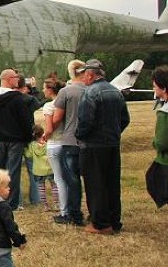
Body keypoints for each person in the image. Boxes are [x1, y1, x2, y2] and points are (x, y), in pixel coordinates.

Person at [75, 59, 130, 235]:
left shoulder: (90, 93)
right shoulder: (116, 91)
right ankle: (114, 221)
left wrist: (80, 136)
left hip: (93, 146)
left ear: (90, 74)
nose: (82, 78)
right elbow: (125, 119)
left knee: (95, 184)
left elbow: (86, 121)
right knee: (111, 184)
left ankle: (100, 224)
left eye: (83, 74)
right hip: (112, 144)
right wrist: (114, 133)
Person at [0, 69, 34, 210]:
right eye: (16, 77)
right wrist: (28, 137)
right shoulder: (16, 98)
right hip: (15, 140)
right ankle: (12, 203)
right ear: (9, 79)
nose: (18, 80)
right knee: (13, 172)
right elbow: (25, 120)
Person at [50, 60, 87, 226]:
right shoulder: (91, 90)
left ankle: (73, 214)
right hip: (89, 141)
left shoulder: (66, 92)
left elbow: (57, 117)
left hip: (70, 139)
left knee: (72, 180)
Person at [40, 79, 67, 217]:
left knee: (59, 178)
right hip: (67, 143)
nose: (43, 90)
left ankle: (64, 210)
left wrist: (44, 136)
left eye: (44, 88)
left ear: (50, 90)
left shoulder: (49, 106)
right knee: (69, 177)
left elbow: (50, 128)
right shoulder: (66, 103)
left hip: (55, 143)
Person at [18, 75, 42, 206]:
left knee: (15, 171)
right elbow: (38, 104)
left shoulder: (12, 100)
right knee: (33, 170)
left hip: (15, 138)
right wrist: (34, 89)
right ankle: (36, 199)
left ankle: (18, 200)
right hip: (29, 137)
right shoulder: (30, 100)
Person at [24, 124, 57, 211]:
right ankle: (56, 204)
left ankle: (45, 206)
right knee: (54, 186)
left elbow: (28, 155)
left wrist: (25, 149)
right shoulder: (47, 143)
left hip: (38, 170)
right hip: (50, 169)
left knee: (41, 188)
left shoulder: (32, 145)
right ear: (42, 133)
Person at [148, 66, 168, 208]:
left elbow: (162, 142)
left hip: (166, 161)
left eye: (155, 86)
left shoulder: (164, 113)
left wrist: (154, 142)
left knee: (153, 180)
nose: (154, 89)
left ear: (164, 89)